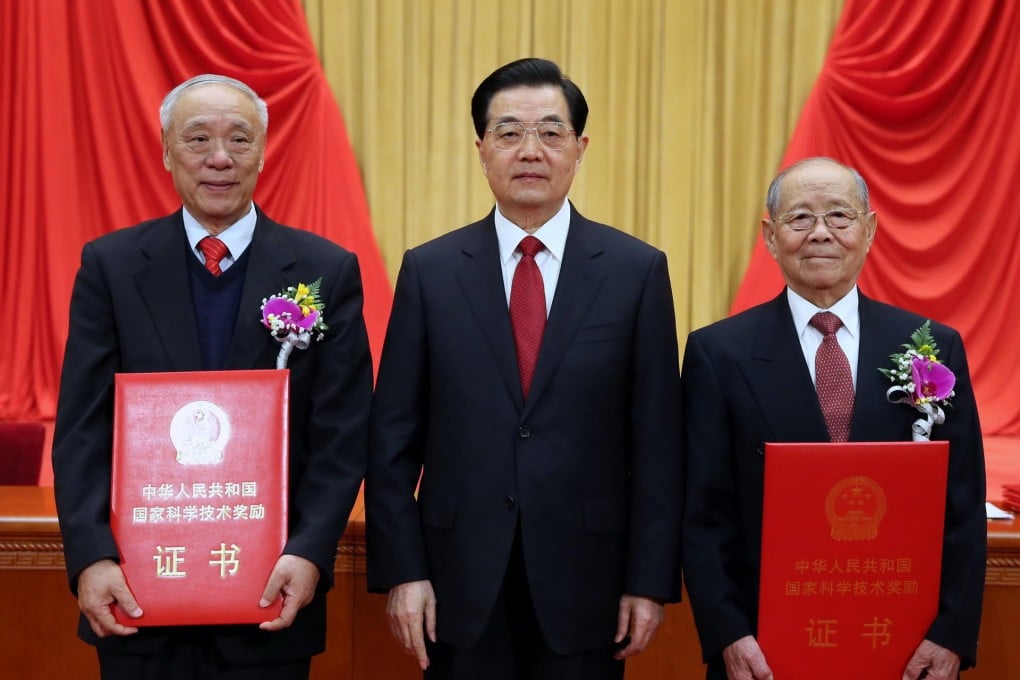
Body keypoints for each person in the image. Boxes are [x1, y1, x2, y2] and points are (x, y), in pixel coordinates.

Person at [365, 57, 683, 680]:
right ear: (482, 150)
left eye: (550, 132)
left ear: (579, 148)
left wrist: (648, 581)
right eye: (509, 133)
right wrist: (404, 570)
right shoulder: (431, 272)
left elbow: (657, 443)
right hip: (456, 583)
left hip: (589, 583)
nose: (529, 150)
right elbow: (392, 440)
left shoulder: (635, 272)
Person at [51, 74, 373, 679]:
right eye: (197, 139)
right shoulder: (112, 267)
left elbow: (342, 434)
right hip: (138, 595)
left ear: (264, 150)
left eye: (239, 139)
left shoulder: (325, 272)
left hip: (270, 597)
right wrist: (92, 559)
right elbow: (82, 431)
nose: (219, 158)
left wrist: (309, 553)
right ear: (167, 152)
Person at [681, 157, 986, 680]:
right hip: (765, 649)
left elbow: (961, 504)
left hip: (903, 645)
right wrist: (729, 635)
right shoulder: (718, 353)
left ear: (868, 231)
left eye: (839, 217)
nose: (820, 233)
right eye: (800, 219)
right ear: (771, 237)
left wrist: (951, 634)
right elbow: (702, 512)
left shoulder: (930, 348)